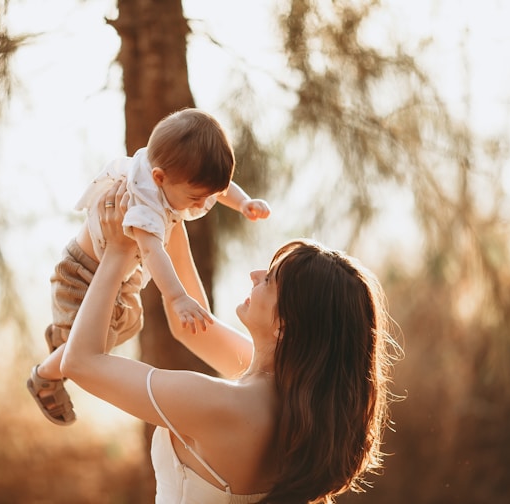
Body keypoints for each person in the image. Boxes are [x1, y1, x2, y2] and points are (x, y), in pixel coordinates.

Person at [39, 181, 400, 503]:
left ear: (286, 326)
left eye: (271, 280)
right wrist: (167, 213)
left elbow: (81, 363)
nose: (255, 275)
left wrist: (118, 251)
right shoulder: (291, 396)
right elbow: (192, 328)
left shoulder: (222, 404)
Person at [28, 108, 271, 425]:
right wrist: (177, 298)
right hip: (82, 273)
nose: (202, 205)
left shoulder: (176, 173)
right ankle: (44, 376)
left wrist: (243, 202)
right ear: (159, 178)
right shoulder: (145, 204)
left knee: (129, 325)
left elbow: (219, 188)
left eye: (209, 196)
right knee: (96, 344)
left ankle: (64, 339)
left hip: (120, 278)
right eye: (197, 198)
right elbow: (155, 252)